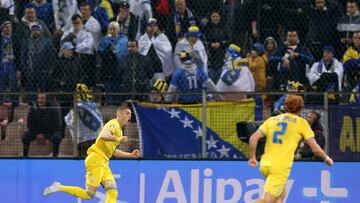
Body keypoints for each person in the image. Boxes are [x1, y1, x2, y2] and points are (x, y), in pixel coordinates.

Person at [43, 104, 140, 202]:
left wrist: (130, 155)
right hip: (96, 160)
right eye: (127, 113)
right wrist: (118, 139)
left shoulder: (119, 130)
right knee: (89, 194)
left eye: (130, 114)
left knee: (112, 192)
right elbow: (103, 135)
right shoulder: (113, 124)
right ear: (119, 114)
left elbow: (113, 151)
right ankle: (59, 187)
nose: (130, 116)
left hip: (103, 163)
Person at [248, 95, 333, 203]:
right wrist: (326, 158)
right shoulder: (301, 123)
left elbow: (253, 138)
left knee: (281, 196)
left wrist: (252, 157)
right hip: (279, 168)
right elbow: (315, 148)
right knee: (267, 201)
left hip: (265, 164)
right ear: (300, 108)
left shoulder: (272, 120)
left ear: (286, 106)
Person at [65, 83, 103, 157]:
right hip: (96, 140)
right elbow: (100, 123)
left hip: (83, 142)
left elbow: (70, 122)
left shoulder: (76, 109)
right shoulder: (94, 106)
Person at [22, 93, 62, 157]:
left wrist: (44, 135)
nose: (40, 100)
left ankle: (55, 156)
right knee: (25, 136)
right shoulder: (33, 110)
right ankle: (25, 156)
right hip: (36, 132)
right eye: (39, 98)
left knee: (56, 137)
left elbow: (56, 126)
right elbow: (30, 125)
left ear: (46, 100)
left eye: (42, 98)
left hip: (50, 132)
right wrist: (37, 134)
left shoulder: (53, 110)